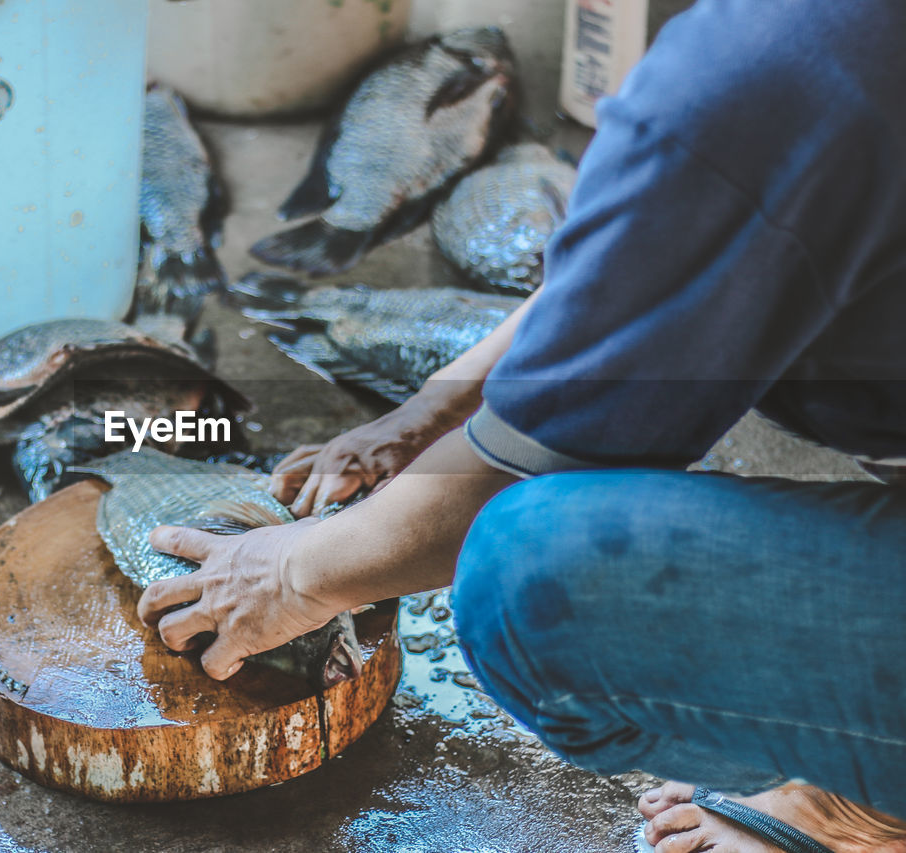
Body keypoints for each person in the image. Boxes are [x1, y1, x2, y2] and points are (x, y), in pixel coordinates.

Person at [137, 1, 906, 851]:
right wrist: (433, 406)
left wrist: (293, 574)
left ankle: (869, 798)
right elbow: (664, 240)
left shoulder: (765, 63)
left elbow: (524, 470)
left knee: (529, 576)